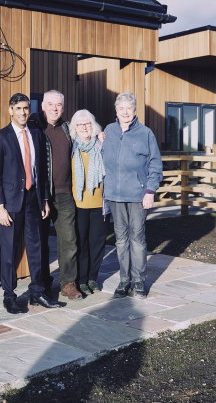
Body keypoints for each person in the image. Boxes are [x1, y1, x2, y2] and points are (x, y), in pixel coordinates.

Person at [0, 93, 59, 314]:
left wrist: (45, 199)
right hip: (10, 204)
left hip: (34, 201)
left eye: (26, 108)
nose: (22, 112)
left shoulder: (36, 134)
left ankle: (37, 292)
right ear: (10, 110)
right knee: (9, 253)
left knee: (36, 249)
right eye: (18, 108)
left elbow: (42, 170)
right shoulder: (1, 136)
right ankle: (9, 297)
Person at [102, 92, 162, 299]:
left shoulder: (145, 133)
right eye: (121, 109)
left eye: (129, 108)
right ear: (116, 111)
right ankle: (124, 280)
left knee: (137, 239)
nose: (125, 112)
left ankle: (138, 282)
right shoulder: (108, 131)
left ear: (134, 110)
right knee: (120, 240)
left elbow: (155, 164)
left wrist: (150, 191)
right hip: (115, 195)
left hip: (138, 194)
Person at [27, 90, 81, 300]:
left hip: (65, 194)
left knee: (68, 241)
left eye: (58, 105)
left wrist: (99, 134)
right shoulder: (35, 128)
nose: (54, 108)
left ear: (63, 107)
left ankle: (68, 283)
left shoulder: (68, 129)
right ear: (42, 106)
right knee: (40, 241)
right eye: (50, 104)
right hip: (42, 195)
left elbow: (87, 134)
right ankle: (42, 284)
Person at [69, 109, 109, 296]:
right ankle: (82, 280)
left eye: (87, 124)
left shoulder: (101, 145)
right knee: (81, 244)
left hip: (99, 204)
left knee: (97, 243)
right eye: (80, 124)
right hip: (78, 205)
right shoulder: (72, 147)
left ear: (93, 126)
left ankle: (93, 278)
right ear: (74, 128)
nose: (84, 127)